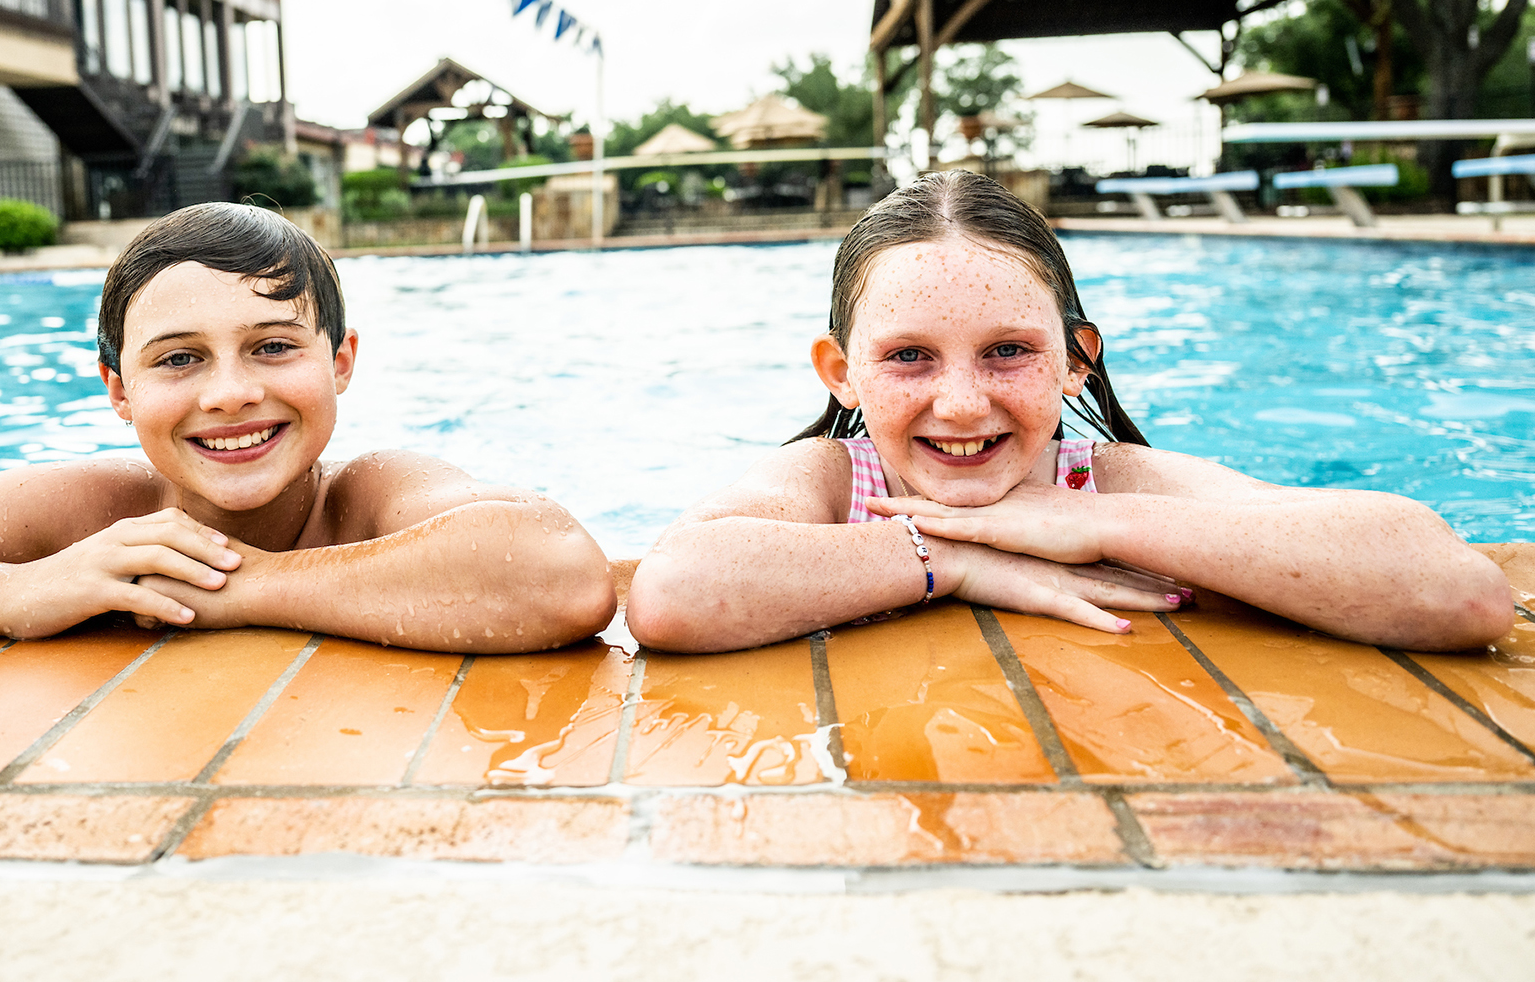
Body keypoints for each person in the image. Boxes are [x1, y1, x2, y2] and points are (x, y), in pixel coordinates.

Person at [0, 203, 617, 651]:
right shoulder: (81, 514)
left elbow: (559, 573)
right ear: (118, 389)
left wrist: (241, 591)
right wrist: (14, 592)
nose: (230, 393)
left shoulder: (372, 496)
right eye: (179, 359)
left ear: (341, 362)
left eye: (274, 347)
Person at [626, 170, 1512, 654]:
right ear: (842, 373)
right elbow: (672, 592)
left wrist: (1095, 523)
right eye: (908, 356)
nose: (961, 403)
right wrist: (949, 559)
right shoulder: (831, 479)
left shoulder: (1106, 486)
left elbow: (1461, 592)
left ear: (1076, 363)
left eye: (1008, 351)